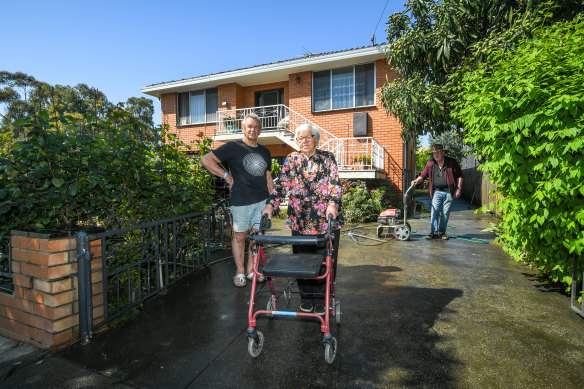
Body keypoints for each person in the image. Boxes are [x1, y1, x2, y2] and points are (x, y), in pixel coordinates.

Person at [261, 123, 342, 316]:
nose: (304, 141)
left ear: (316, 139)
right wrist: (270, 205)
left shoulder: (327, 158)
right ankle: (306, 298)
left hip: (325, 221)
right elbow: (281, 185)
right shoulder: (291, 159)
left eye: (308, 137)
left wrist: (332, 204)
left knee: (325, 262)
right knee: (302, 262)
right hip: (300, 221)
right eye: (300, 138)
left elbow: (335, 184)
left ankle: (323, 299)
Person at [201, 113, 274, 287]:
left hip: (261, 201)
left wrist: (272, 201)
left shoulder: (265, 151)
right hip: (240, 201)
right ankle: (239, 271)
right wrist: (226, 176)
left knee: (257, 237)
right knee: (240, 237)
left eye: (256, 127)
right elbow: (206, 160)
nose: (252, 130)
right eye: (249, 126)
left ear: (260, 131)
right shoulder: (233, 147)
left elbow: (268, 178)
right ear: (243, 128)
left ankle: (252, 270)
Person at [411, 143, 463, 240]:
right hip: (436, 192)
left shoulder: (451, 163)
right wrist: (416, 180)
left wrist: (459, 188)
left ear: (443, 152)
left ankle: (442, 232)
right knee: (434, 211)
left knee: (445, 212)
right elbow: (423, 175)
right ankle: (434, 232)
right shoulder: (430, 164)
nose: (436, 155)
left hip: (449, 191)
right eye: (434, 153)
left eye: (438, 152)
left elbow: (460, 175)